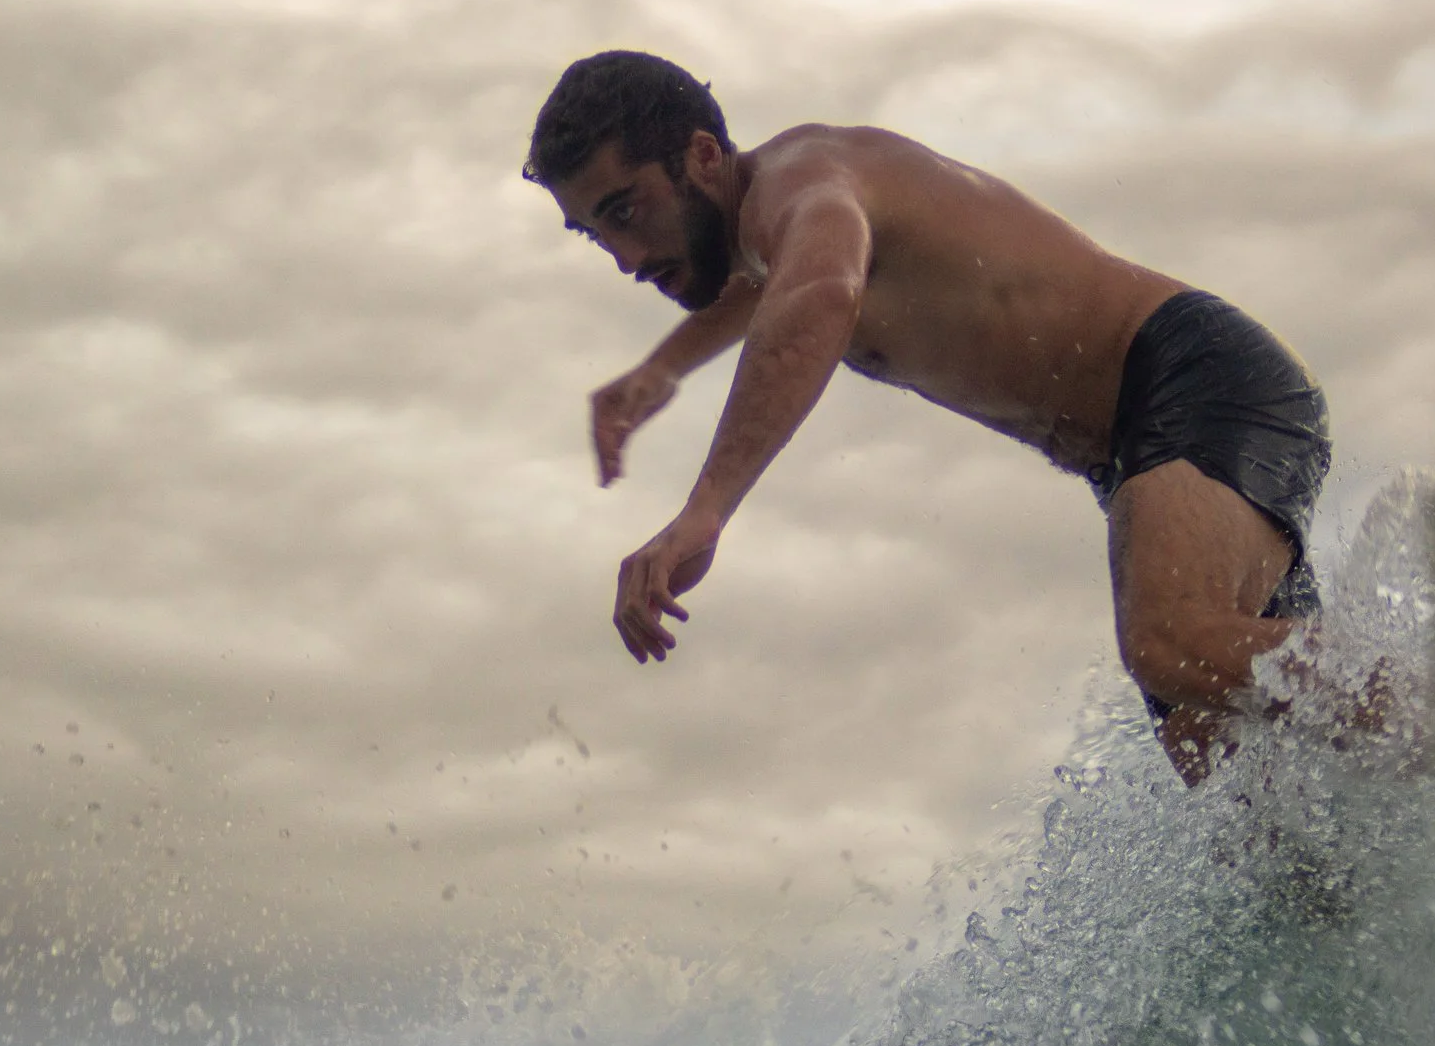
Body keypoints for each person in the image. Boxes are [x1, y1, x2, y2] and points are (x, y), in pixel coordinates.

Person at [523, 50, 1334, 785]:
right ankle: (1383, 781)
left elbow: (819, 294)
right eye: (595, 233)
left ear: (703, 155)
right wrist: (660, 370)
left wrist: (704, 510)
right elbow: (763, 285)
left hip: (1191, 375)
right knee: (1233, 776)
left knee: (1170, 640)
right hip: (1138, 442)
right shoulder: (770, 226)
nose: (624, 259)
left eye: (625, 212)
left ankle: (1414, 688)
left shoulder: (807, 182)